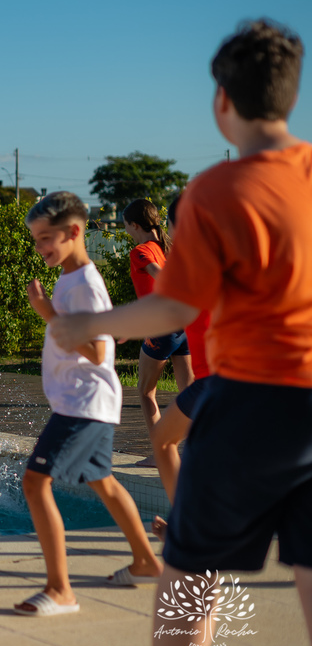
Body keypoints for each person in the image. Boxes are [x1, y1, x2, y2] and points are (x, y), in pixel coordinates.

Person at [51, 19, 310, 646]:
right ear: (291, 95)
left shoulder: (214, 192)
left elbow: (176, 303)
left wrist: (87, 326)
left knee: (189, 573)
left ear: (223, 99)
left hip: (245, 401)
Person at [14, 191, 161, 618]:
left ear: (74, 232)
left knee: (34, 482)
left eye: (46, 239)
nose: (41, 248)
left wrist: (46, 312)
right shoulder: (70, 277)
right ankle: (147, 562)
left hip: (85, 403)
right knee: (104, 483)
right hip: (86, 401)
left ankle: (61, 590)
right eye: (37, 240)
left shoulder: (85, 285)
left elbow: (98, 350)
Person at [147, 193, 210, 540]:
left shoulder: (194, 268)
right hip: (218, 383)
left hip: (222, 385)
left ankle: (188, 528)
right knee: (166, 440)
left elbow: (163, 310)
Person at [122, 199, 194, 467]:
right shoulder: (169, 247)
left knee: (145, 391)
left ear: (135, 224)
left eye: (126, 224)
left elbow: (159, 276)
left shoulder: (141, 251)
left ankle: (160, 456)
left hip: (161, 329)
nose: (125, 229)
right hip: (183, 327)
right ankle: (199, 450)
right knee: (189, 392)